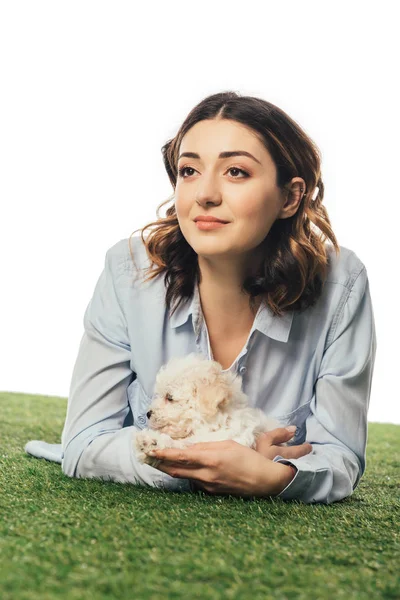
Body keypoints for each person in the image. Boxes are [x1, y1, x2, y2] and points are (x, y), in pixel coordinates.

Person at [24, 91, 377, 504]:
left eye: (237, 172)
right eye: (189, 170)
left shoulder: (341, 284)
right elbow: (84, 443)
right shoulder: (128, 270)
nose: (204, 193)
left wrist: (271, 478)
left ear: (290, 197)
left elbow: (339, 456)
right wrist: (207, 465)